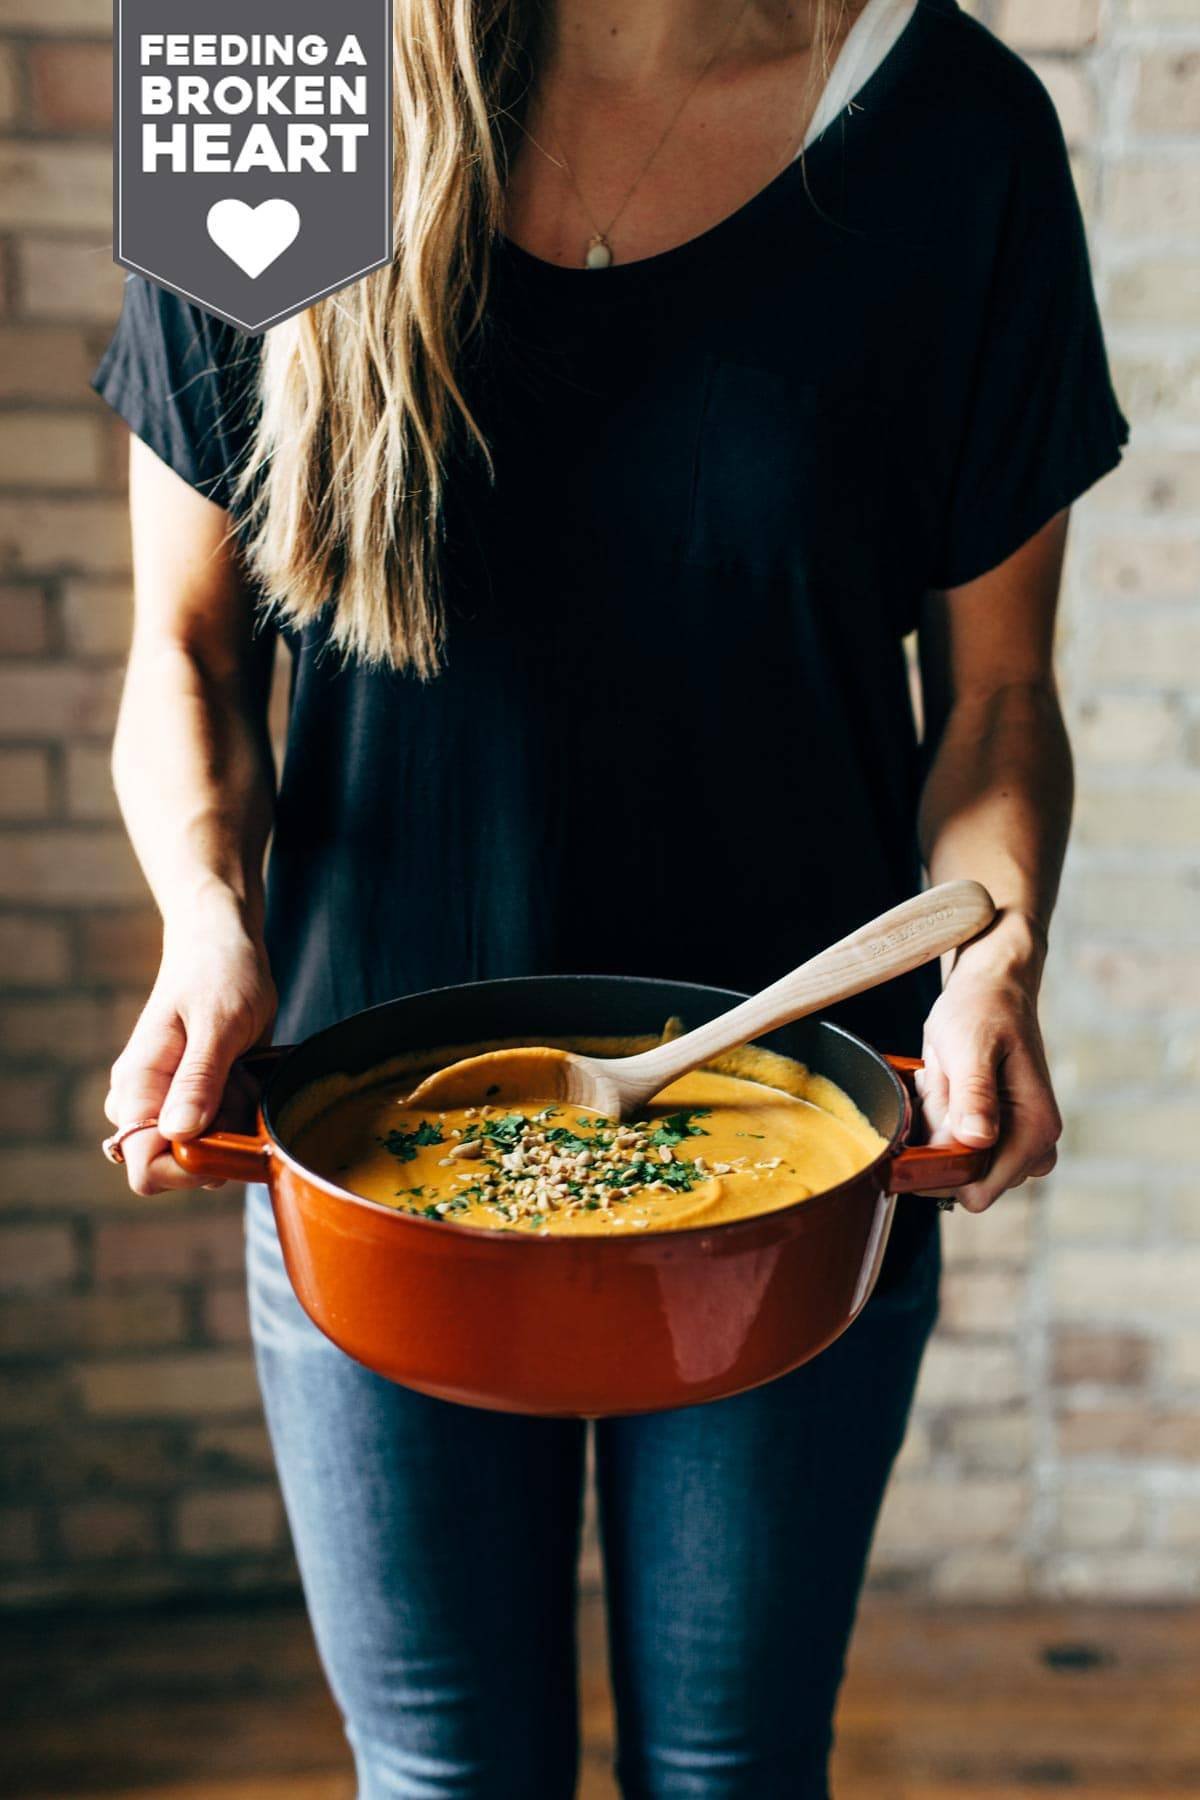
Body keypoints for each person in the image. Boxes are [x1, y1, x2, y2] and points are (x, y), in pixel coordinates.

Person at [95, 0, 1127, 1791]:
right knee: (441, 1774)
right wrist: (204, 913)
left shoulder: (957, 130)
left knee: (732, 1770)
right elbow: (186, 649)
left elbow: (997, 697)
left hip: (802, 1153)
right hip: (363, 1150)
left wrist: (998, 954)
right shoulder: (270, 66)